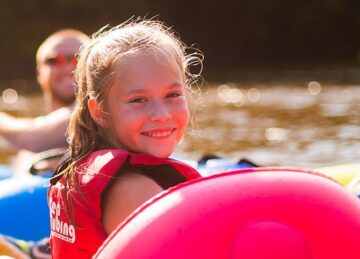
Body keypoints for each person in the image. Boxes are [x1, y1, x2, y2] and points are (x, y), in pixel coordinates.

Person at [48, 19, 203, 257]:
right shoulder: (133, 191)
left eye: (172, 95)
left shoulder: (86, 168)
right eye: (139, 100)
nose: (161, 115)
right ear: (99, 110)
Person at [0, 29, 89, 173]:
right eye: (55, 60)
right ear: (39, 72)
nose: (69, 68)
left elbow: (32, 137)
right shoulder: (29, 151)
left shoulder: (98, 110)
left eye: (78, 59)